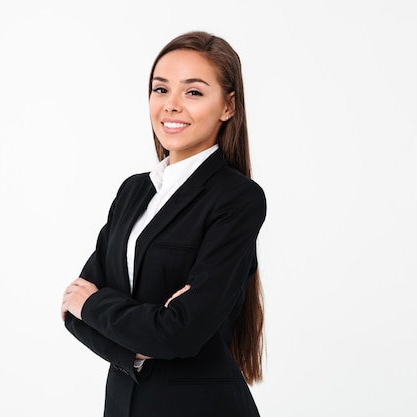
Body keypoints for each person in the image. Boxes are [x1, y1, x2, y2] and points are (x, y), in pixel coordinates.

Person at [61, 30, 267, 417]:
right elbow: (73, 310)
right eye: (160, 89)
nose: (171, 106)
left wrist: (98, 307)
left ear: (228, 106)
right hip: (123, 406)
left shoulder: (237, 199)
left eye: (193, 92)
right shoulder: (133, 192)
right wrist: (143, 336)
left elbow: (181, 332)